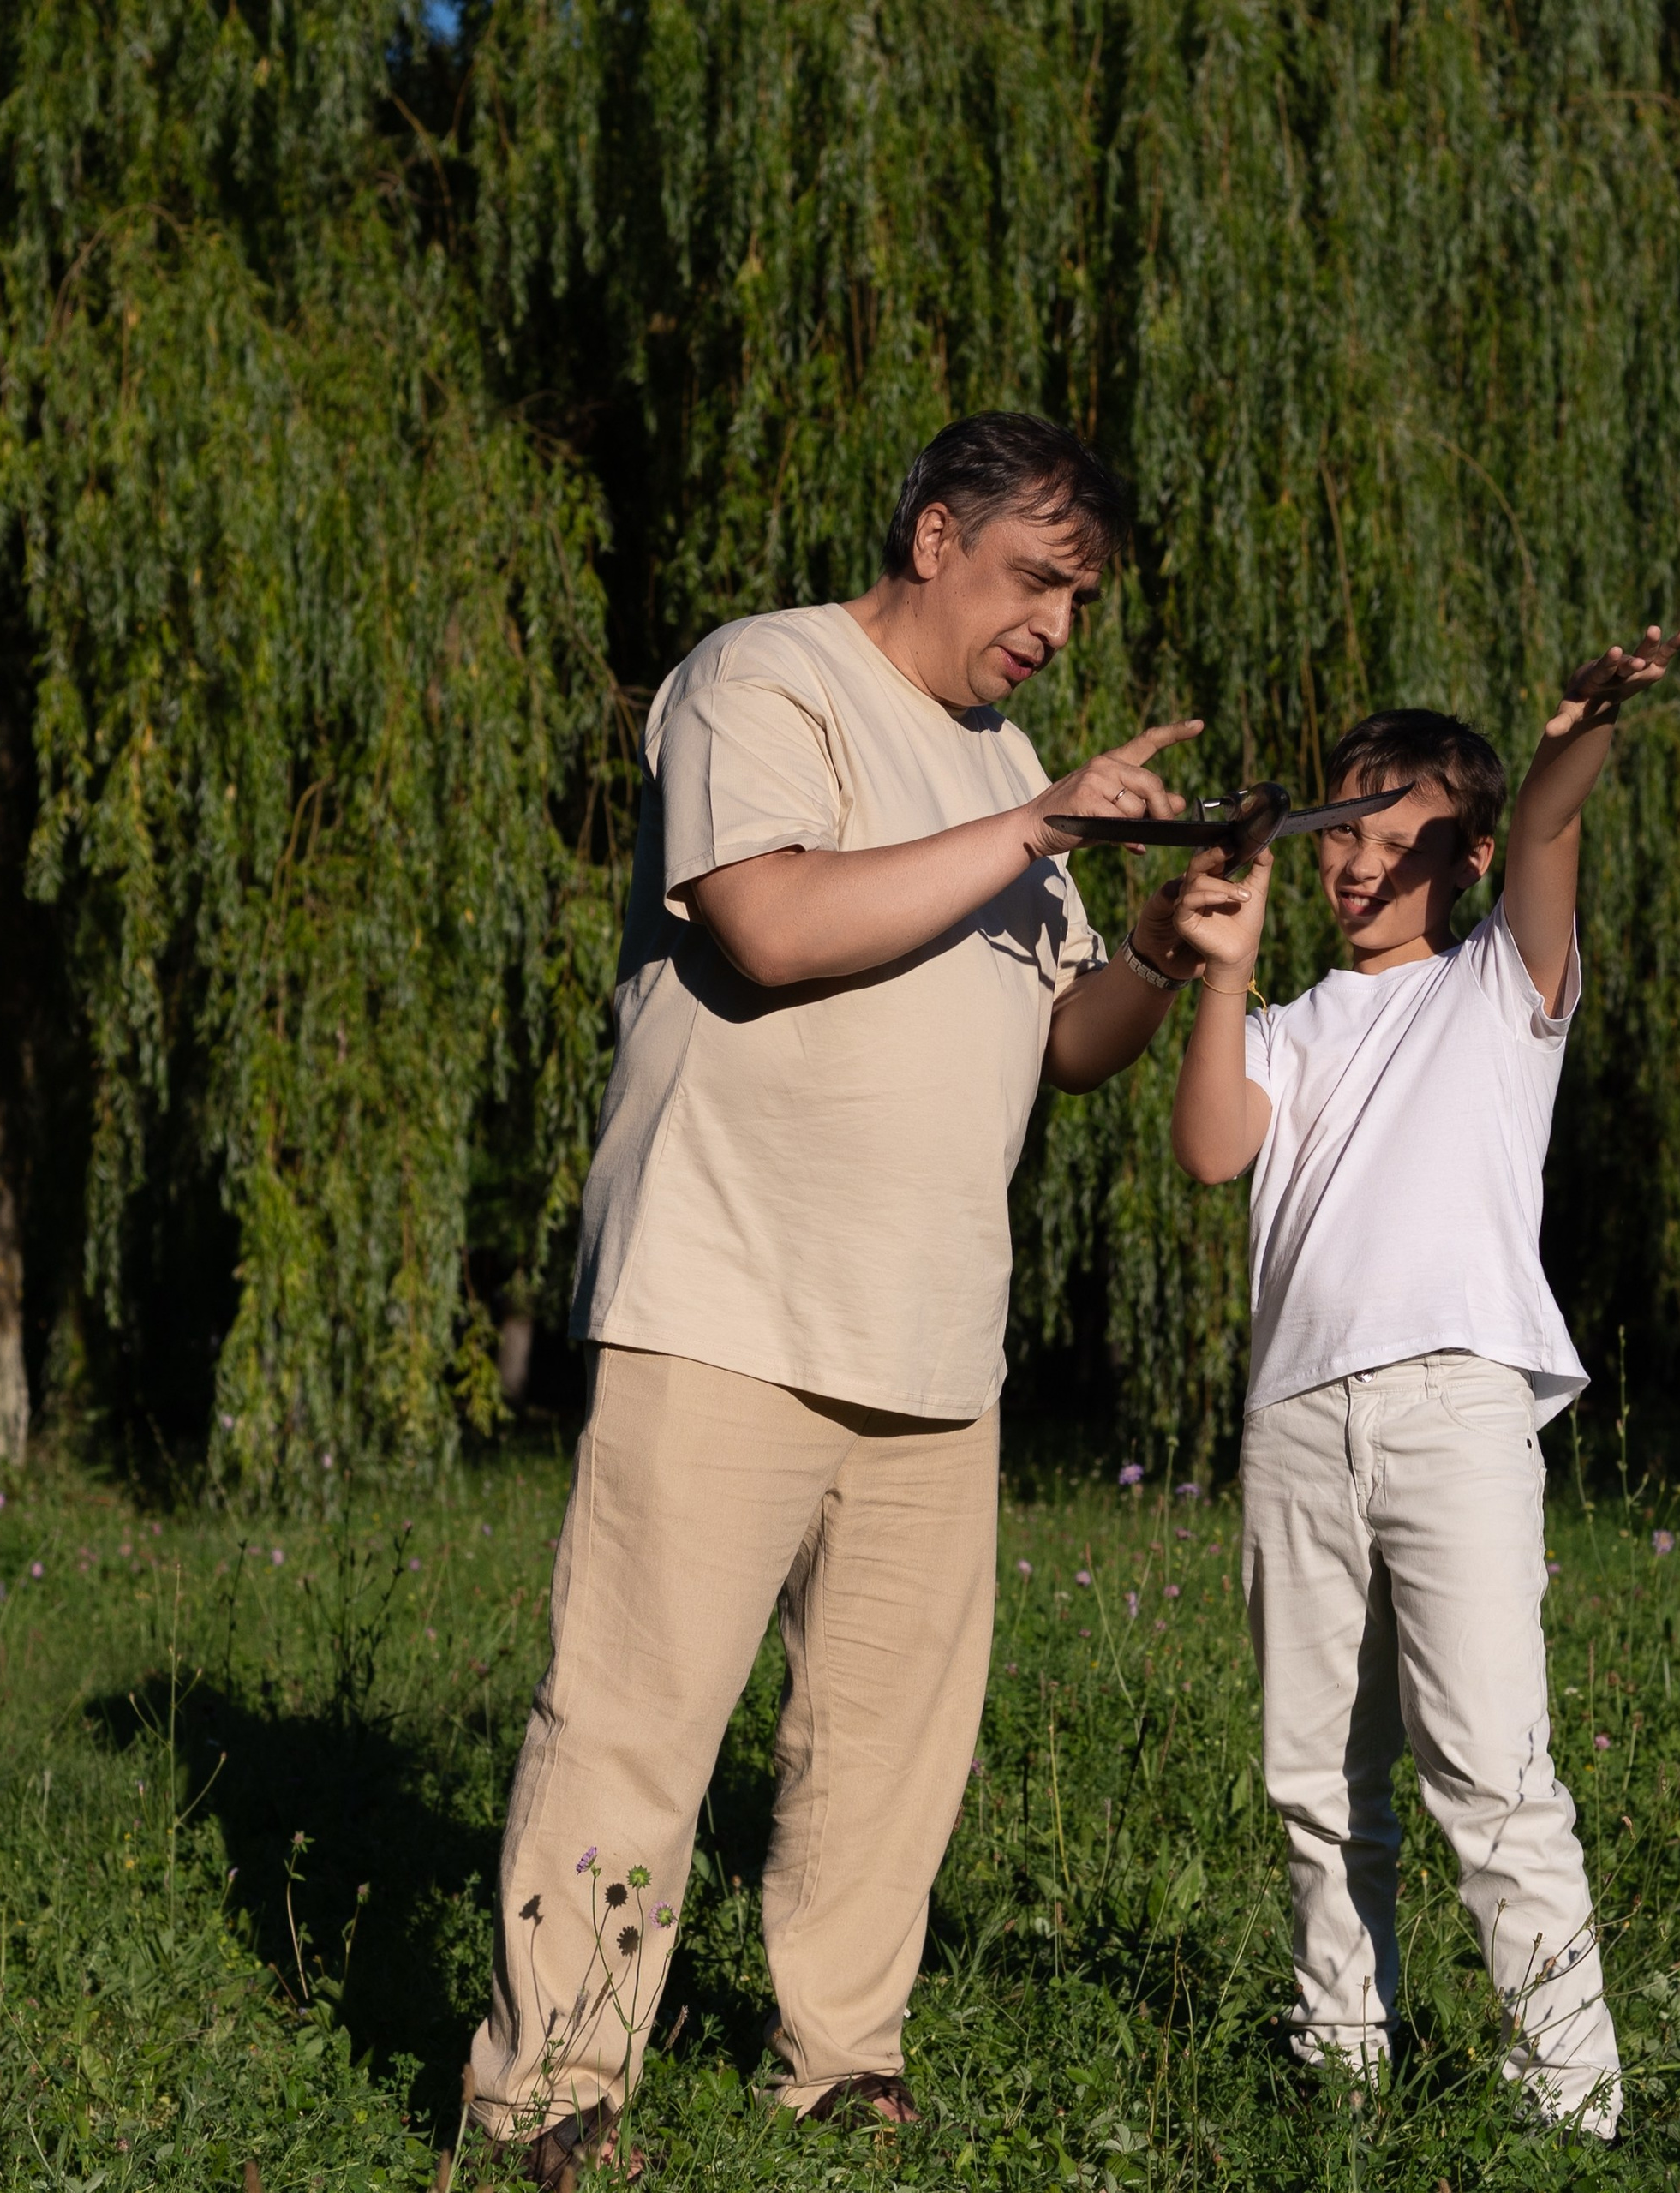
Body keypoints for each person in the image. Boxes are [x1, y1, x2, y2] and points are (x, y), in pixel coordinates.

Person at [468, 412, 1209, 2185]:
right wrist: (1035, 817)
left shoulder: (1005, 754)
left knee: (883, 1750)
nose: (1052, 626)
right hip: (725, 1290)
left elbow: (1067, 1046)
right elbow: (770, 923)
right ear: (936, 531)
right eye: (1037, 577)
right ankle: (546, 2100)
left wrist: (1164, 946)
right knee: (634, 1721)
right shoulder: (765, 674)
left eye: (1077, 597)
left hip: (934, 1331)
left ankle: (838, 2063)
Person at [1166, 628, 1680, 2136]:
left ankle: (1570, 2102)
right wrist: (1222, 969)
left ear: (1457, 863)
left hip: (1456, 1407)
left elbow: (1546, 822)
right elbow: (1211, 1148)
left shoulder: (1496, 993)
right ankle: (1343, 2070)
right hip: (1295, 1424)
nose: (1360, 867)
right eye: (1344, 834)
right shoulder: (1293, 1025)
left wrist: (1578, 732)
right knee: (1316, 1780)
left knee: (1488, 1770)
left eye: (1402, 843)